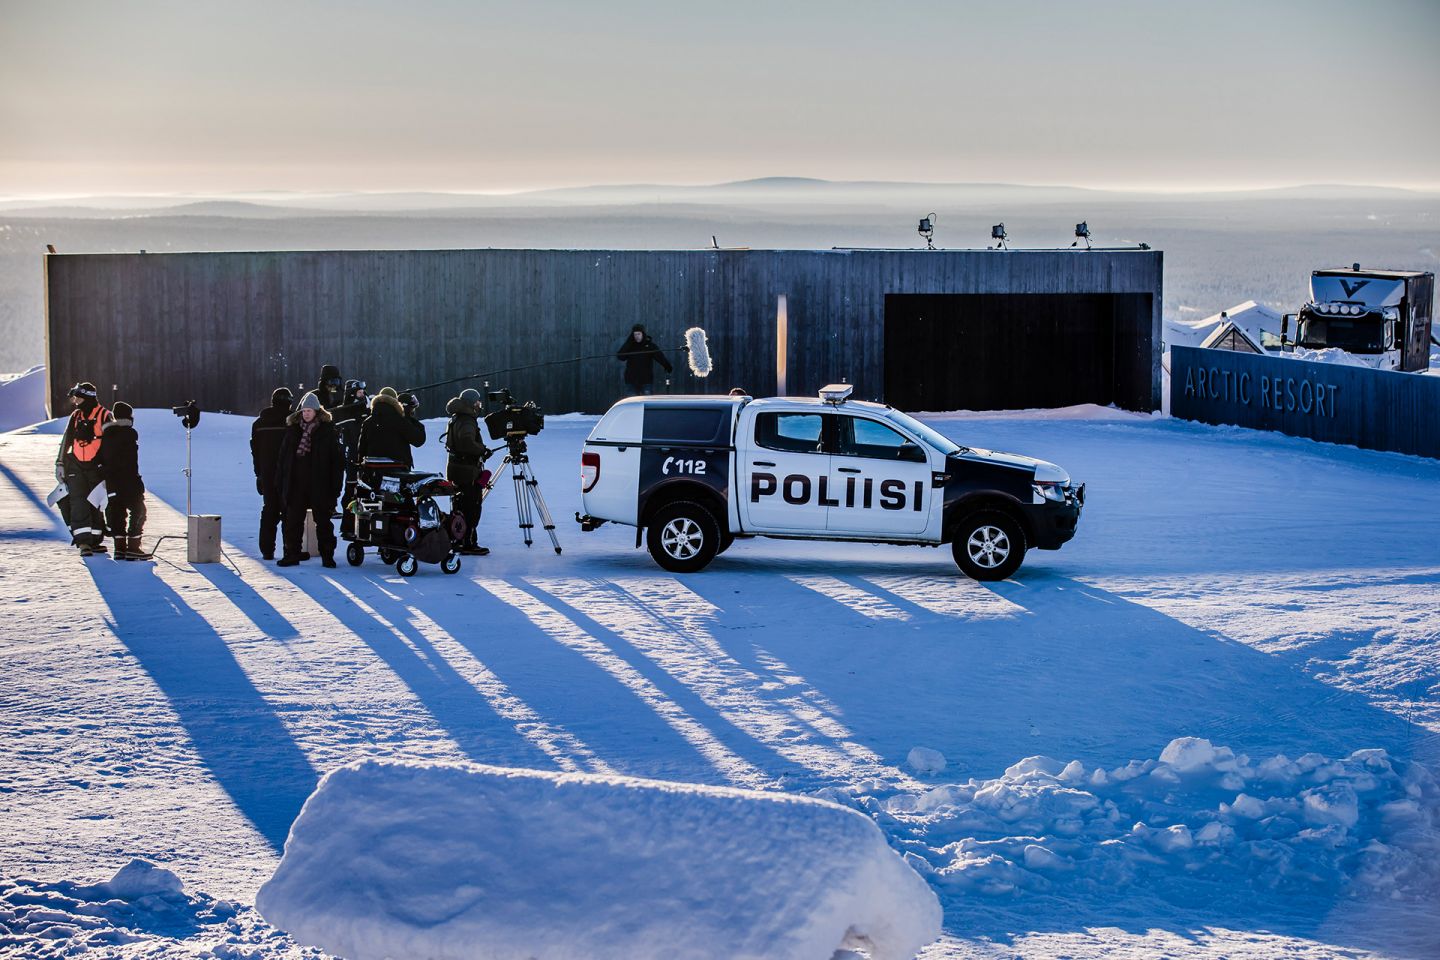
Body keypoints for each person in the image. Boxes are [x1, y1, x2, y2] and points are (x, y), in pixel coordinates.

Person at [275, 391, 343, 568]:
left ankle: (327, 555)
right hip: (296, 484)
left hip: (320, 485)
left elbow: (336, 462)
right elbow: (283, 460)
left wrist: (336, 487)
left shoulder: (327, 432)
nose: (306, 414)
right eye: (304, 411)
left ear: (317, 412)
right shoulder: (293, 432)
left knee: (323, 522)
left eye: (309, 411)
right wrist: (281, 483)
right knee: (293, 521)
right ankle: (292, 554)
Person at [54, 382, 112, 556]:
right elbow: (67, 440)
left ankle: (95, 540)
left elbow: (112, 444)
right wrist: (60, 463)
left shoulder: (105, 415)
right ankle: (83, 543)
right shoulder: (76, 416)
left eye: (78, 398)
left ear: (87, 398)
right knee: (78, 501)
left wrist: (110, 468)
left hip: (97, 467)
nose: (75, 401)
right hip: (76, 466)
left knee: (95, 502)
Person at [96, 401, 147, 560]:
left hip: (111, 483)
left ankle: (119, 549)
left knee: (116, 514)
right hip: (129, 482)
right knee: (139, 511)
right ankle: (133, 547)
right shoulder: (129, 434)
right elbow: (130, 462)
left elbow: (100, 460)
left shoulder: (105, 436)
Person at [444, 388, 490, 556]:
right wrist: (482, 450)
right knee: (471, 507)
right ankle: (468, 543)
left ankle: (459, 539)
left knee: (460, 506)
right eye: (478, 401)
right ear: (472, 403)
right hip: (467, 471)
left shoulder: (457, 417)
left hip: (456, 469)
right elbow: (466, 442)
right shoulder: (467, 420)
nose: (480, 404)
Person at [250, 387, 293, 560]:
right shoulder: (292, 422)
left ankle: (267, 550)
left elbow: (255, 451)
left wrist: (258, 474)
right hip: (288, 473)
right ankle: (289, 549)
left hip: (267, 474)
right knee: (289, 512)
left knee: (269, 511)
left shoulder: (259, 424)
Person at [357, 386, 425, 468]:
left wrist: (361, 467)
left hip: (373, 470)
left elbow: (362, 448)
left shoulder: (367, 422)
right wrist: (409, 418)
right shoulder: (399, 421)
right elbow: (418, 440)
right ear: (395, 402)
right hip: (398, 468)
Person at [616, 324, 672, 396]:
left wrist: (667, 366)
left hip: (646, 380)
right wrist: (628, 343)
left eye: (639, 334)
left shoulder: (650, 346)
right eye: (635, 334)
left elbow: (660, 357)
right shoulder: (630, 346)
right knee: (632, 403)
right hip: (631, 380)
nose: (637, 336)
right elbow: (621, 357)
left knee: (647, 401)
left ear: (643, 334)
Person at [332, 379, 369, 482]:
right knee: (351, 483)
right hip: (350, 454)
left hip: (365, 454)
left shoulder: (366, 408)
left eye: (363, 392)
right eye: (359, 392)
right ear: (352, 394)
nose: (362, 395)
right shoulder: (341, 412)